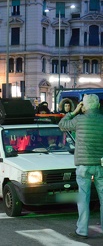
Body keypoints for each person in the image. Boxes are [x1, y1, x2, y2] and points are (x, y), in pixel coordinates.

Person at [58, 94, 103, 239]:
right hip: (101, 165)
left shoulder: (79, 120)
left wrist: (73, 112)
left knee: (83, 198)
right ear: (98, 106)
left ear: (84, 106)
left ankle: (82, 230)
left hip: (83, 165)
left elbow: (62, 125)